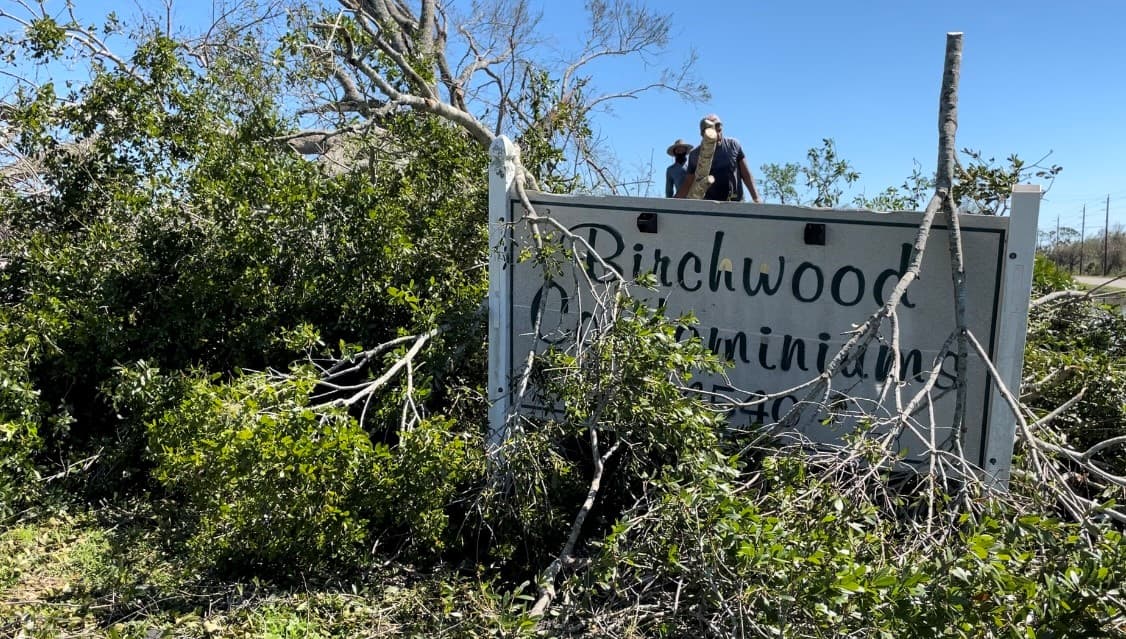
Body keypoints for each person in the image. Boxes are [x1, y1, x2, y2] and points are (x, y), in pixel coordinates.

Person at [675, 114, 762, 203]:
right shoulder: (695, 155)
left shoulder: (733, 145)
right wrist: (672, 202)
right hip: (709, 205)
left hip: (735, 203)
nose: (717, 132)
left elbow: (746, 174)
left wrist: (756, 198)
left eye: (718, 127)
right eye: (711, 128)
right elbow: (689, 183)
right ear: (703, 133)